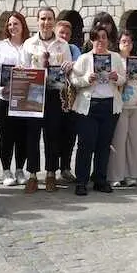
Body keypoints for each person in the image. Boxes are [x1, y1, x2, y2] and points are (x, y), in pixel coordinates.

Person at [69, 24, 126, 195]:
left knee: (104, 145)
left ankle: (100, 179)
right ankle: (81, 181)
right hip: (88, 106)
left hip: (109, 105)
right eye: (97, 37)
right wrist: (86, 79)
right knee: (86, 145)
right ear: (92, 39)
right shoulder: (85, 58)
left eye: (104, 37)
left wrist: (117, 78)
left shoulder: (115, 57)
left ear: (108, 40)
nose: (100, 41)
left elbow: (123, 79)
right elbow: (74, 79)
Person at [21, 7, 74, 193]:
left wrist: (69, 67)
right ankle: (33, 175)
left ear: (54, 21)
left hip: (54, 94)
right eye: (43, 18)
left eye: (50, 19)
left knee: (52, 135)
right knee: (32, 135)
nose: (46, 22)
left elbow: (69, 70)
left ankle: (51, 173)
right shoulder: (29, 43)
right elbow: (23, 67)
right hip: (34, 93)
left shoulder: (62, 45)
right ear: (38, 21)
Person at [0, 12, 30, 187]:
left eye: (16, 24)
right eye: (10, 24)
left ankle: (20, 169)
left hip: (24, 97)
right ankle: (6, 170)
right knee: (6, 135)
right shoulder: (0, 46)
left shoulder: (30, 45)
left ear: (23, 25)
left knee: (22, 135)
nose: (13, 27)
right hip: (4, 96)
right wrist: (0, 87)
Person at [109, 30, 137, 188]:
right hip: (120, 105)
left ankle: (131, 174)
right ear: (119, 43)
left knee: (135, 141)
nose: (127, 44)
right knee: (118, 140)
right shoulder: (114, 59)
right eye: (124, 41)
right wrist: (122, 77)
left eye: (129, 42)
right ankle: (115, 175)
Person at [55, 20, 83, 182]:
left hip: (71, 99)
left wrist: (72, 63)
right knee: (54, 135)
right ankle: (52, 168)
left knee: (70, 135)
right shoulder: (51, 48)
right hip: (54, 97)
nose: (64, 36)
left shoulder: (73, 49)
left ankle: (65, 167)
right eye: (61, 33)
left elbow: (81, 65)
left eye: (67, 33)